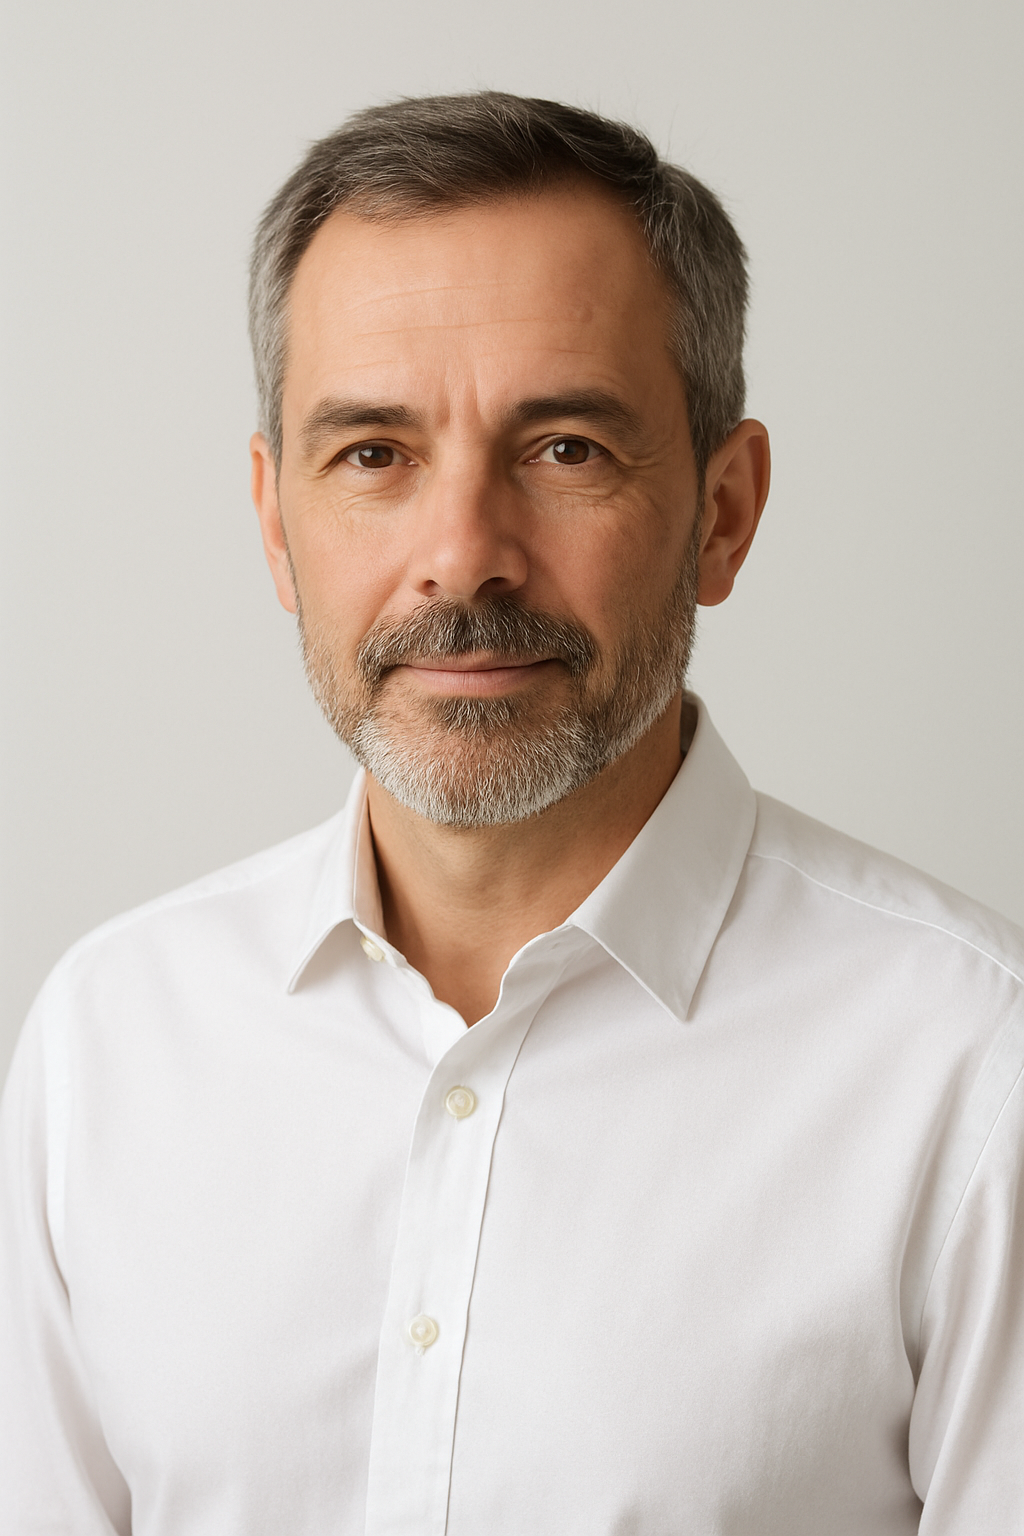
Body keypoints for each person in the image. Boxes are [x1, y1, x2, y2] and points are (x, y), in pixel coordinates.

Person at [0, 91, 1021, 1536]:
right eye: (373, 454)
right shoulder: (110, 1047)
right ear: (274, 518)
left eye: (564, 451)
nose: (463, 557)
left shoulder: (972, 1074)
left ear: (724, 511)